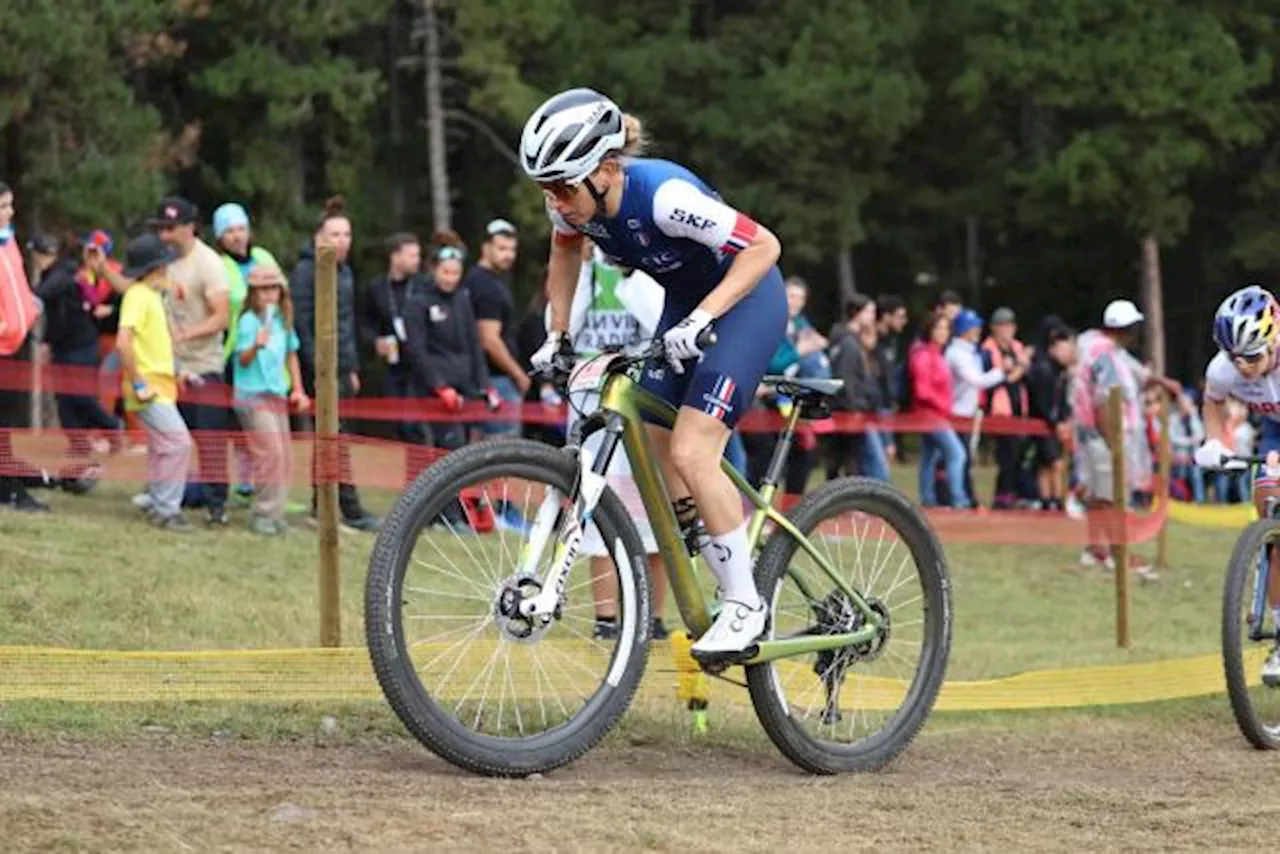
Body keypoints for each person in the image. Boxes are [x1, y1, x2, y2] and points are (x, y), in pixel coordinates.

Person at [521, 88, 786, 655]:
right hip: (685, 306)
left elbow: (764, 246)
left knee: (693, 452)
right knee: (655, 444)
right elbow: (565, 252)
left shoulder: (663, 196)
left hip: (745, 302)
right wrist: (559, 333)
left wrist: (706, 315)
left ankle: (746, 604)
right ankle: (714, 537)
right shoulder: (571, 199)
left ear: (608, 170)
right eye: (547, 191)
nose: (557, 202)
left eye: (565, 188)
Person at [557, 240, 671, 639]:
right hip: (592, 400)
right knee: (594, 509)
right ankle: (606, 618)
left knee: (654, 513)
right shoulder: (580, 270)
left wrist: (628, 270)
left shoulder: (647, 269)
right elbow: (562, 326)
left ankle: (652, 618)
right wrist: (586, 269)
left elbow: (660, 318)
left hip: (642, 398)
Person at [1194, 285, 1280, 683]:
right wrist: (1213, 441)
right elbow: (1213, 403)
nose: (1242, 366)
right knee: (1270, 501)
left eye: (1251, 357)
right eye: (1234, 357)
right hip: (1275, 432)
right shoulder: (1224, 368)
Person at [290, 196, 380, 532]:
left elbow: (347, 324)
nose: (342, 241)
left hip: (343, 368)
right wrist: (318, 369)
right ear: (318, 238)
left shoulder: (346, 273)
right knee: (332, 438)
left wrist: (351, 367)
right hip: (319, 370)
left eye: (346, 234)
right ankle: (346, 509)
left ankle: (326, 506)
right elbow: (302, 323)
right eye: (335, 234)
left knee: (336, 438)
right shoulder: (305, 272)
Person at [92, 234, 194, 531]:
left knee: (165, 445)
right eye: (165, 266)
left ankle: (159, 502)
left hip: (159, 383)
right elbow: (124, 343)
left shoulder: (149, 295)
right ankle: (167, 508)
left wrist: (176, 370)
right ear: (156, 268)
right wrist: (138, 383)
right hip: (148, 386)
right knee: (178, 443)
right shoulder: (139, 296)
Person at [1071, 299, 1176, 577]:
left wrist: (1162, 382)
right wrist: (1113, 441)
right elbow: (1104, 400)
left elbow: (1139, 375)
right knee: (1112, 496)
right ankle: (1118, 554)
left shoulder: (1103, 349)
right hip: (1103, 434)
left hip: (1092, 433)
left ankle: (1095, 549)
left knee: (1098, 493)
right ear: (1126, 329)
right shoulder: (1105, 356)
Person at [149, 196, 233, 525]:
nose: (165, 236)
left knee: (210, 438)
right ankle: (169, 499)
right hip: (171, 367)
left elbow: (222, 317)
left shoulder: (208, 263)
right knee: (171, 438)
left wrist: (186, 335)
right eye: (160, 229)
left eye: (170, 229)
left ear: (189, 227)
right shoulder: (163, 263)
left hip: (204, 366)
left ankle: (217, 506)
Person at [28, 234, 121, 489]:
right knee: (65, 402)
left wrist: (27, 303)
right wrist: (47, 341)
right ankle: (80, 447)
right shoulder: (63, 273)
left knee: (80, 397)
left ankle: (112, 426)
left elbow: (45, 295)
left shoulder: (60, 274)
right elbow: (58, 316)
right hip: (63, 345)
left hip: (81, 344)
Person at [233, 263, 309, 535]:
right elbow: (241, 360)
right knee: (270, 453)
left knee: (285, 455)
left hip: (276, 394)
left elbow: (292, 353)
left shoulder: (282, 319)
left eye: (274, 288)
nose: (269, 294)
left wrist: (297, 389)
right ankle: (263, 513)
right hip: (252, 395)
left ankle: (276, 514)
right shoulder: (248, 321)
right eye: (263, 289)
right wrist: (256, 344)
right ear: (253, 293)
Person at [0, 181, 47, 511]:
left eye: (10, 205)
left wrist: (28, 306)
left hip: (15, 346)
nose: (10, 212)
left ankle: (9, 479)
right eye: (3, 207)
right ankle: (7, 490)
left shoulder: (8, 240)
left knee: (9, 420)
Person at [465, 218, 526, 436]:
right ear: (486, 247)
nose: (508, 255)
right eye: (501, 248)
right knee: (504, 454)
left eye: (512, 249)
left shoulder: (480, 279)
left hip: (483, 378)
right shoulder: (486, 286)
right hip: (497, 379)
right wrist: (519, 375)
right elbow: (489, 339)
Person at [909, 311, 970, 508]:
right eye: (939, 328)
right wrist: (942, 404)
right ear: (930, 330)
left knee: (929, 456)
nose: (943, 332)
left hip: (936, 414)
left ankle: (928, 498)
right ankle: (958, 499)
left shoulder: (937, 354)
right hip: (930, 415)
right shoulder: (924, 355)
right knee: (957, 454)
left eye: (946, 328)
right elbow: (922, 390)